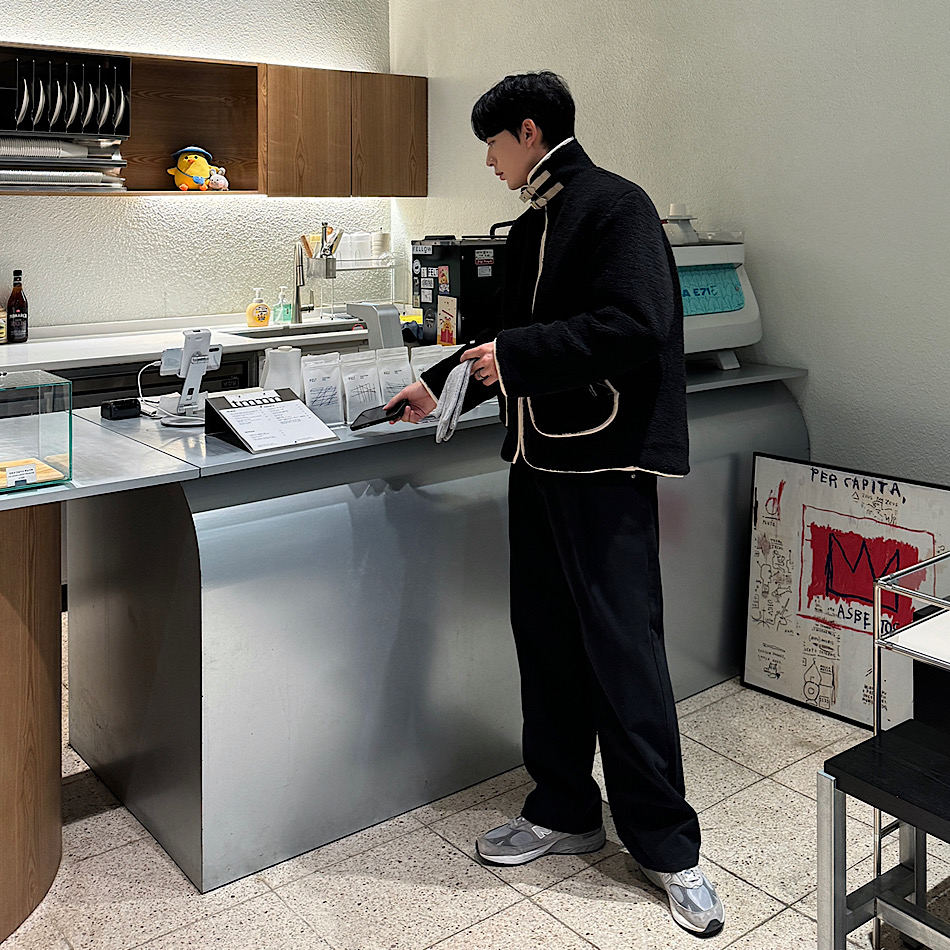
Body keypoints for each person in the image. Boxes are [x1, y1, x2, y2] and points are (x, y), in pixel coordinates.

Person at [386, 70, 725, 938]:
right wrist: (438, 381)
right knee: (543, 642)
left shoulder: (616, 206)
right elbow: (502, 337)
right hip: (537, 462)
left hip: (604, 466)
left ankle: (669, 848)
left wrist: (517, 359)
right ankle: (566, 809)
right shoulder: (533, 223)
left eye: (493, 145)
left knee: (624, 653)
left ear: (529, 132)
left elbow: (638, 324)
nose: (489, 162)